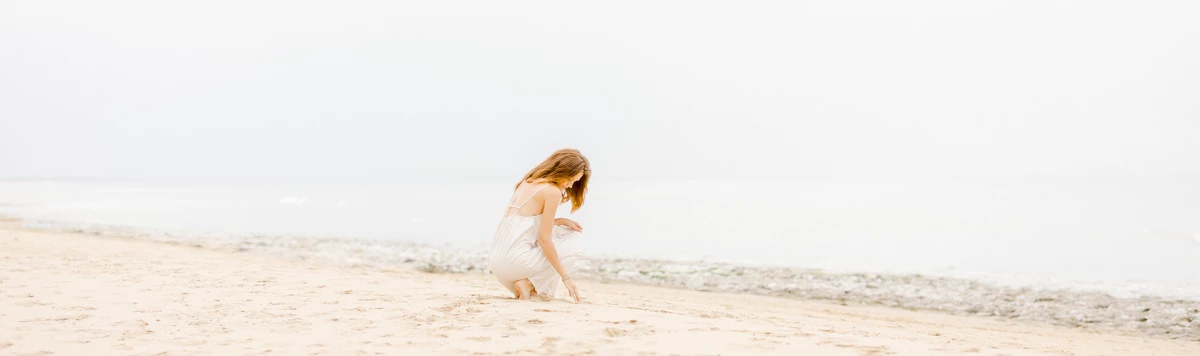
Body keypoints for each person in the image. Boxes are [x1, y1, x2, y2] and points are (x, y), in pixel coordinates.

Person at [488, 148, 590, 302]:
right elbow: (544, 239)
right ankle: (529, 283)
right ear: (562, 171)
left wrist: (560, 221)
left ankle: (527, 285)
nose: (570, 186)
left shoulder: (526, 182)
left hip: (497, 263)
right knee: (573, 245)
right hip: (514, 262)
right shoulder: (552, 192)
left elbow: (524, 225)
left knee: (560, 230)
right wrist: (566, 278)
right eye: (571, 180)